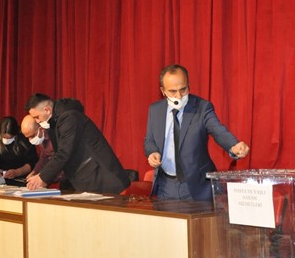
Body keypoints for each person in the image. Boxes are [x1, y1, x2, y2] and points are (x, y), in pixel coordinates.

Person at [144, 64, 250, 201]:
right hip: (165, 186)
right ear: (163, 91)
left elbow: (218, 130)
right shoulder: (155, 110)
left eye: (183, 89)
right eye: (172, 91)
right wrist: (152, 152)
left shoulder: (202, 108)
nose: (179, 96)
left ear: (188, 85)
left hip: (196, 187)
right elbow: (149, 140)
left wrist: (233, 145)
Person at [25, 94, 130, 194]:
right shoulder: (55, 122)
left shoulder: (69, 118)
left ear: (47, 110)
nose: (37, 121)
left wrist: (42, 177)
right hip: (88, 179)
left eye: (37, 117)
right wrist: (42, 175)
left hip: (102, 180)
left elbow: (64, 153)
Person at [0, 116, 38, 186]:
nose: (6, 140)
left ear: (16, 134)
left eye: (9, 138)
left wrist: (17, 172)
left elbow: (32, 162)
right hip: (1, 179)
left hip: (22, 179)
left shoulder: (24, 138)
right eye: (4, 137)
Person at [20, 114, 65, 186]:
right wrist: (34, 172)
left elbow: (62, 159)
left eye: (32, 136)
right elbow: (43, 158)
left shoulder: (56, 135)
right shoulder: (42, 139)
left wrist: (43, 177)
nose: (30, 140)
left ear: (41, 129)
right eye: (27, 137)